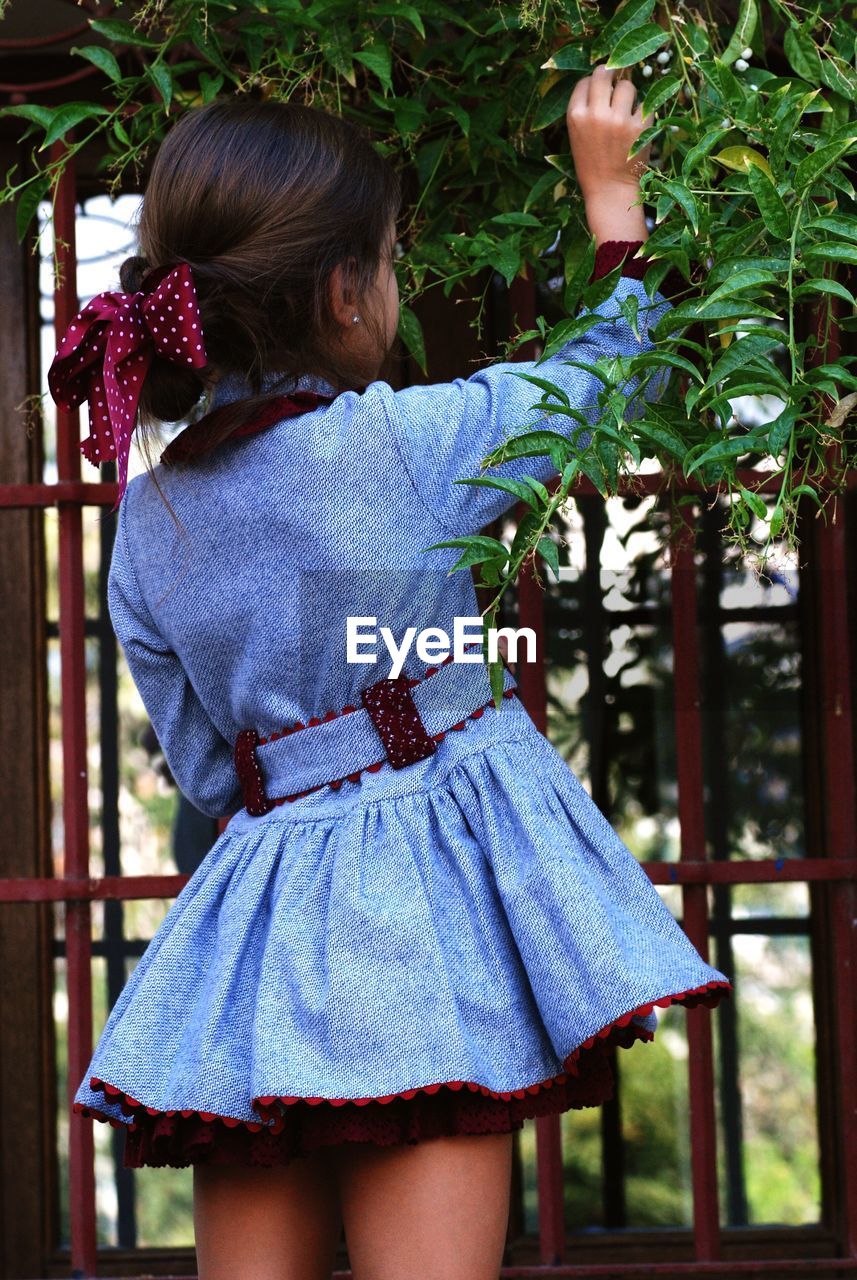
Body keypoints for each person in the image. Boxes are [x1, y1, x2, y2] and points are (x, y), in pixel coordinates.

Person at [50, 63, 731, 1280]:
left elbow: (213, 771)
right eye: (388, 258)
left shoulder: (146, 518)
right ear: (341, 288)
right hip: (421, 931)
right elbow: (611, 377)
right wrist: (612, 205)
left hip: (252, 952)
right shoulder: (404, 447)